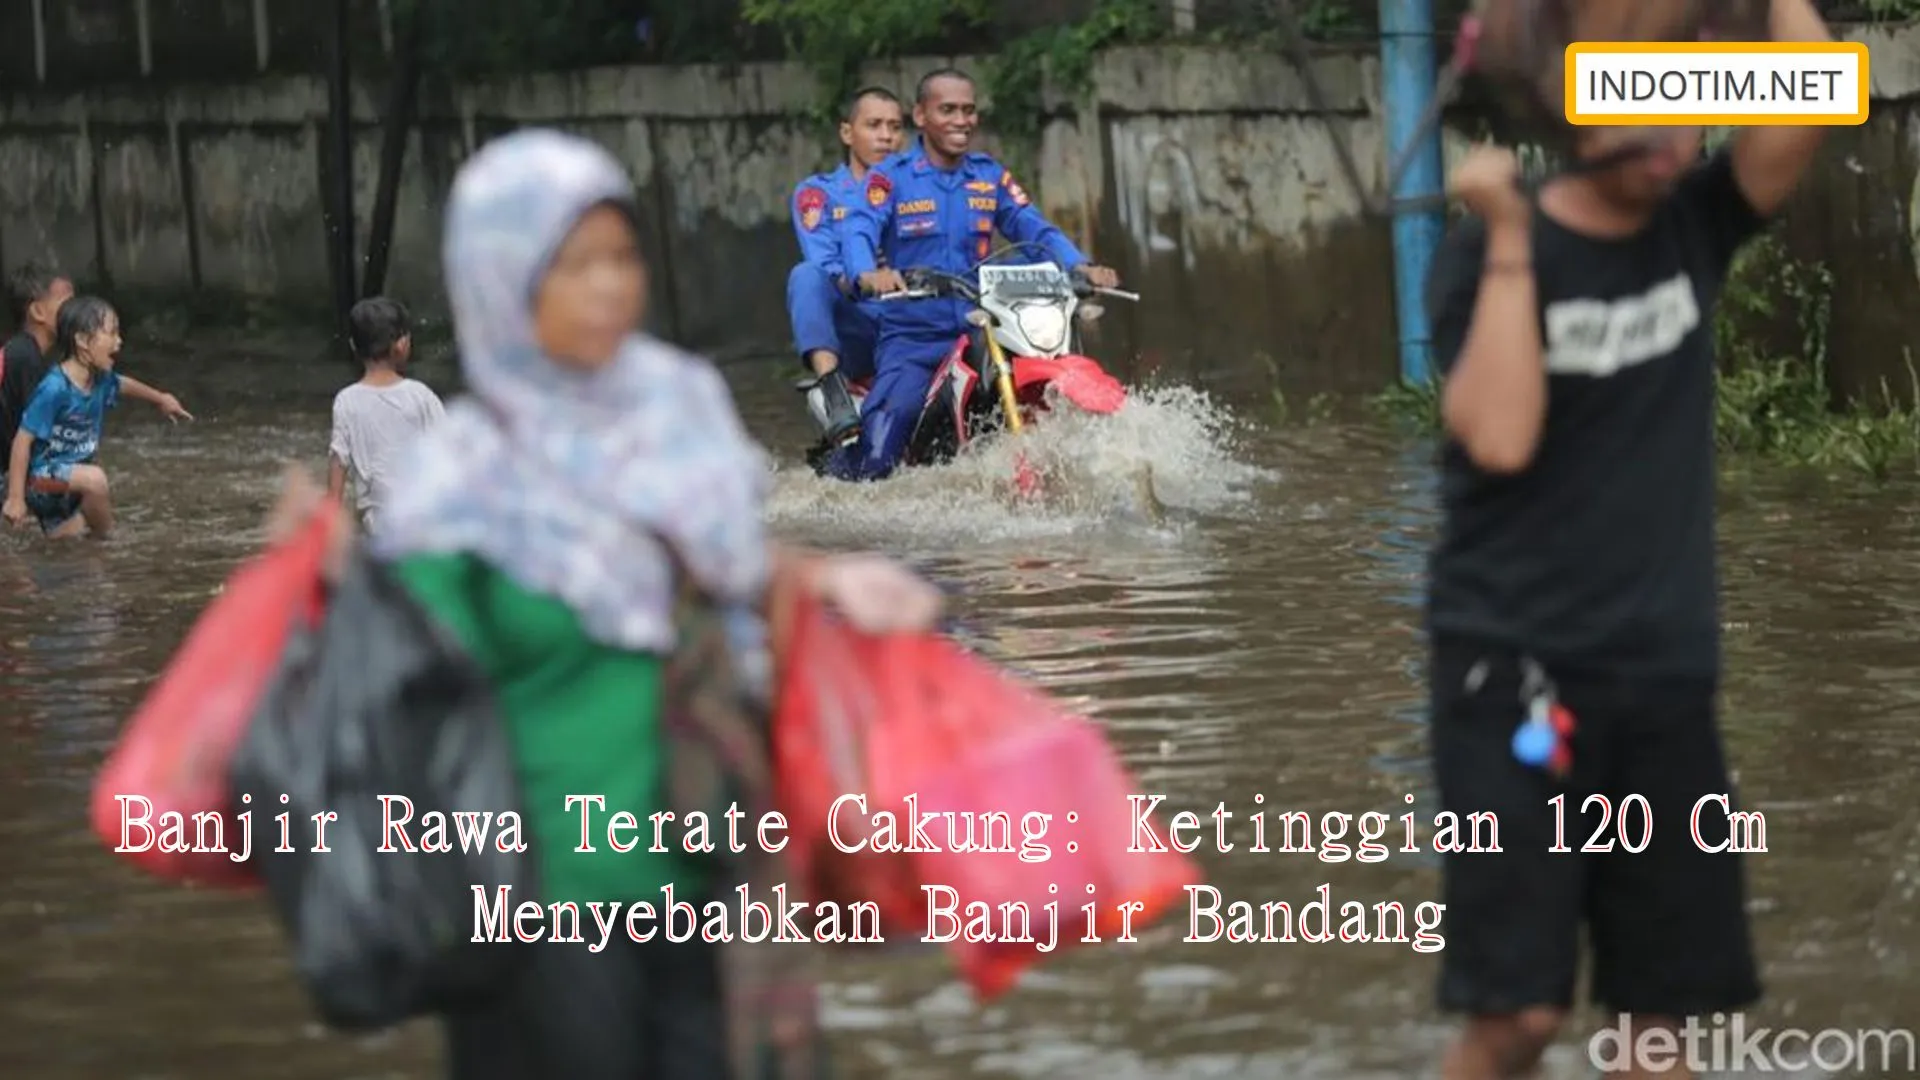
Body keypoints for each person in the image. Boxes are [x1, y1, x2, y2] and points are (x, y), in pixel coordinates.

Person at [266, 128, 943, 1079]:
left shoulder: (682, 408)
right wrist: (328, 578)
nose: (609, 286)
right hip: (536, 900)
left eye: (621, 257)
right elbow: (395, 674)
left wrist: (826, 582)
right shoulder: (464, 473)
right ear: (504, 276)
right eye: (573, 264)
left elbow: (720, 575)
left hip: (708, 878)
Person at [1420, 0, 1833, 1076]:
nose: (1668, 136)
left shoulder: (1693, 224)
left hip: (1663, 685)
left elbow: (1815, 88)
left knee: (1660, 1022)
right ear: (1573, 112)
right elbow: (1501, 437)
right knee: (1517, 1016)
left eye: (1684, 105)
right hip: (1511, 674)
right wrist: (1511, 234)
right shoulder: (1488, 256)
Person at [833, 67, 1122, 481]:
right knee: (882, 448)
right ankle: (848, 480)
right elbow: (858, 228)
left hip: (982, 332)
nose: (961, 120)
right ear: (920, 116)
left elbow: (1032, 227)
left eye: (968, 111)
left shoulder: (989, 177)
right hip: (915, 339)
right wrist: (868, 274)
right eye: (947, 109)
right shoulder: (890, 178)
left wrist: (1080, 267)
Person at [2, 295, 193, 539]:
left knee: (78, 550)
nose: (119, 341)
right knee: (96, 481)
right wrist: (15, 498)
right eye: (112, 333)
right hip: (42, 483)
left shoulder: (99, 379)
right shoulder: (54, 388)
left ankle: (89, 544)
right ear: (82, 340)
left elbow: (122, 383)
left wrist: (160, 399)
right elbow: (22, 439)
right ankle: (112, 539)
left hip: (70, 485)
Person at [787, 85, 905, 443]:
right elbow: (826, 266)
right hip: (858, 322)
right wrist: (867, 278)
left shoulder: (916, 185)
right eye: (874, 125)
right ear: (846, 132)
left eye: (895, 127)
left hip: (915, 317)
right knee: (806, 275)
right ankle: (833, 389)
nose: (886, 136)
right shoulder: (817, 193)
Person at [327, 295, 445, 532]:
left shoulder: (346, 400)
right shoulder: (420, 396)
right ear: (401, 346)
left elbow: (338, 462)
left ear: (353, 345)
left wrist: (328, 528)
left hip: (377, 523)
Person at [2, 262, 75, 482]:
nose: (78, 314)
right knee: (91, 485)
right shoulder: (24, 357)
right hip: (9, 479)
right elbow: (36, 435)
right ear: (37, 311)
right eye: (68, 305)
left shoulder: (24, 352)